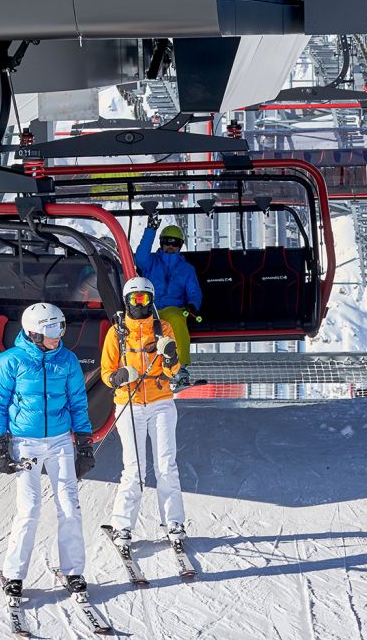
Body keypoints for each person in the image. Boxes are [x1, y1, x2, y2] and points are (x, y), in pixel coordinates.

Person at [0, 302, 96, 598]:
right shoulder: (10, 361)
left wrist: (84, 444)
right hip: (26, 442)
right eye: (51, 329)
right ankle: (13, 574)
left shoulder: (68, 360)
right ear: (33, 332)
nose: (58, 335)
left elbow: (77, 403)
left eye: (60, 327)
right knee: (30, 508)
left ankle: (73, 570)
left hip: (61, 441)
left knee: (69, 507)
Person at [101, 276, 187, 550]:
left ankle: (173, 522)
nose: (140, 304)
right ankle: (122, 526)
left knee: (166, 466)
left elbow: (174, 371)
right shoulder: (117, 333)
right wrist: (119, 377)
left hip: (161, 401)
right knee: (135, 468)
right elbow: (106, 373)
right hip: (131, 404)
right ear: (127, 301)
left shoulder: (163, 328)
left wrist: (172, 357)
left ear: (152, 300)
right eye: (135, 299)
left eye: (145, 299)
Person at [135, 213, 203, 388]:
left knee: (176, 319)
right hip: (150, 308)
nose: (170, 247)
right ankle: (144, 373)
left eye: (174, 243)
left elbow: (194, 291)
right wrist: (151, 229)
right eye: (166, 242)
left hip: (173, 308)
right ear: (161, 243)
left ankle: (180, 368)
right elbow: (140, 257)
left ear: (179, 246)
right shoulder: (151, 261)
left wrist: (192, 305)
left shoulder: (186, 269)